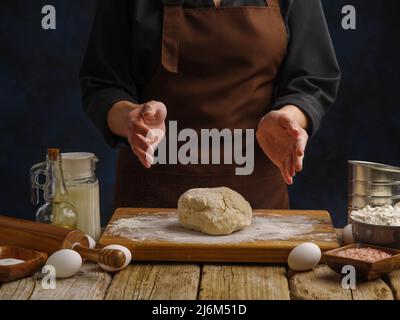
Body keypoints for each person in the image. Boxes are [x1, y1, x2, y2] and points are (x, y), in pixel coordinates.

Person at [80, 0, 341, 209]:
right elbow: (102, 83)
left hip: (258, 203)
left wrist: (289, 116)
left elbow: (312, 79)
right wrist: (130, 118)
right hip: (151, 203)